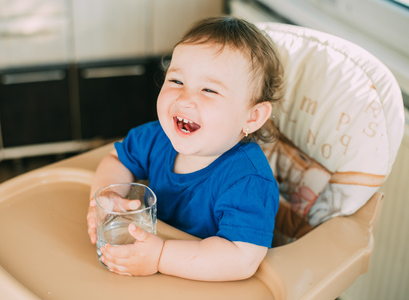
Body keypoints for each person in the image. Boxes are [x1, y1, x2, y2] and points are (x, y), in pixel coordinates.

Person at [87, 16, 284, 281]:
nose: (185, 98)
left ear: (252, 117)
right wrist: (108, 195)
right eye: (177, 81)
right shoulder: (157, 137)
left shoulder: (249, 182)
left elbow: (241, 258)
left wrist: (159, 256)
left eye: (209, 90)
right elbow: (117, 160)